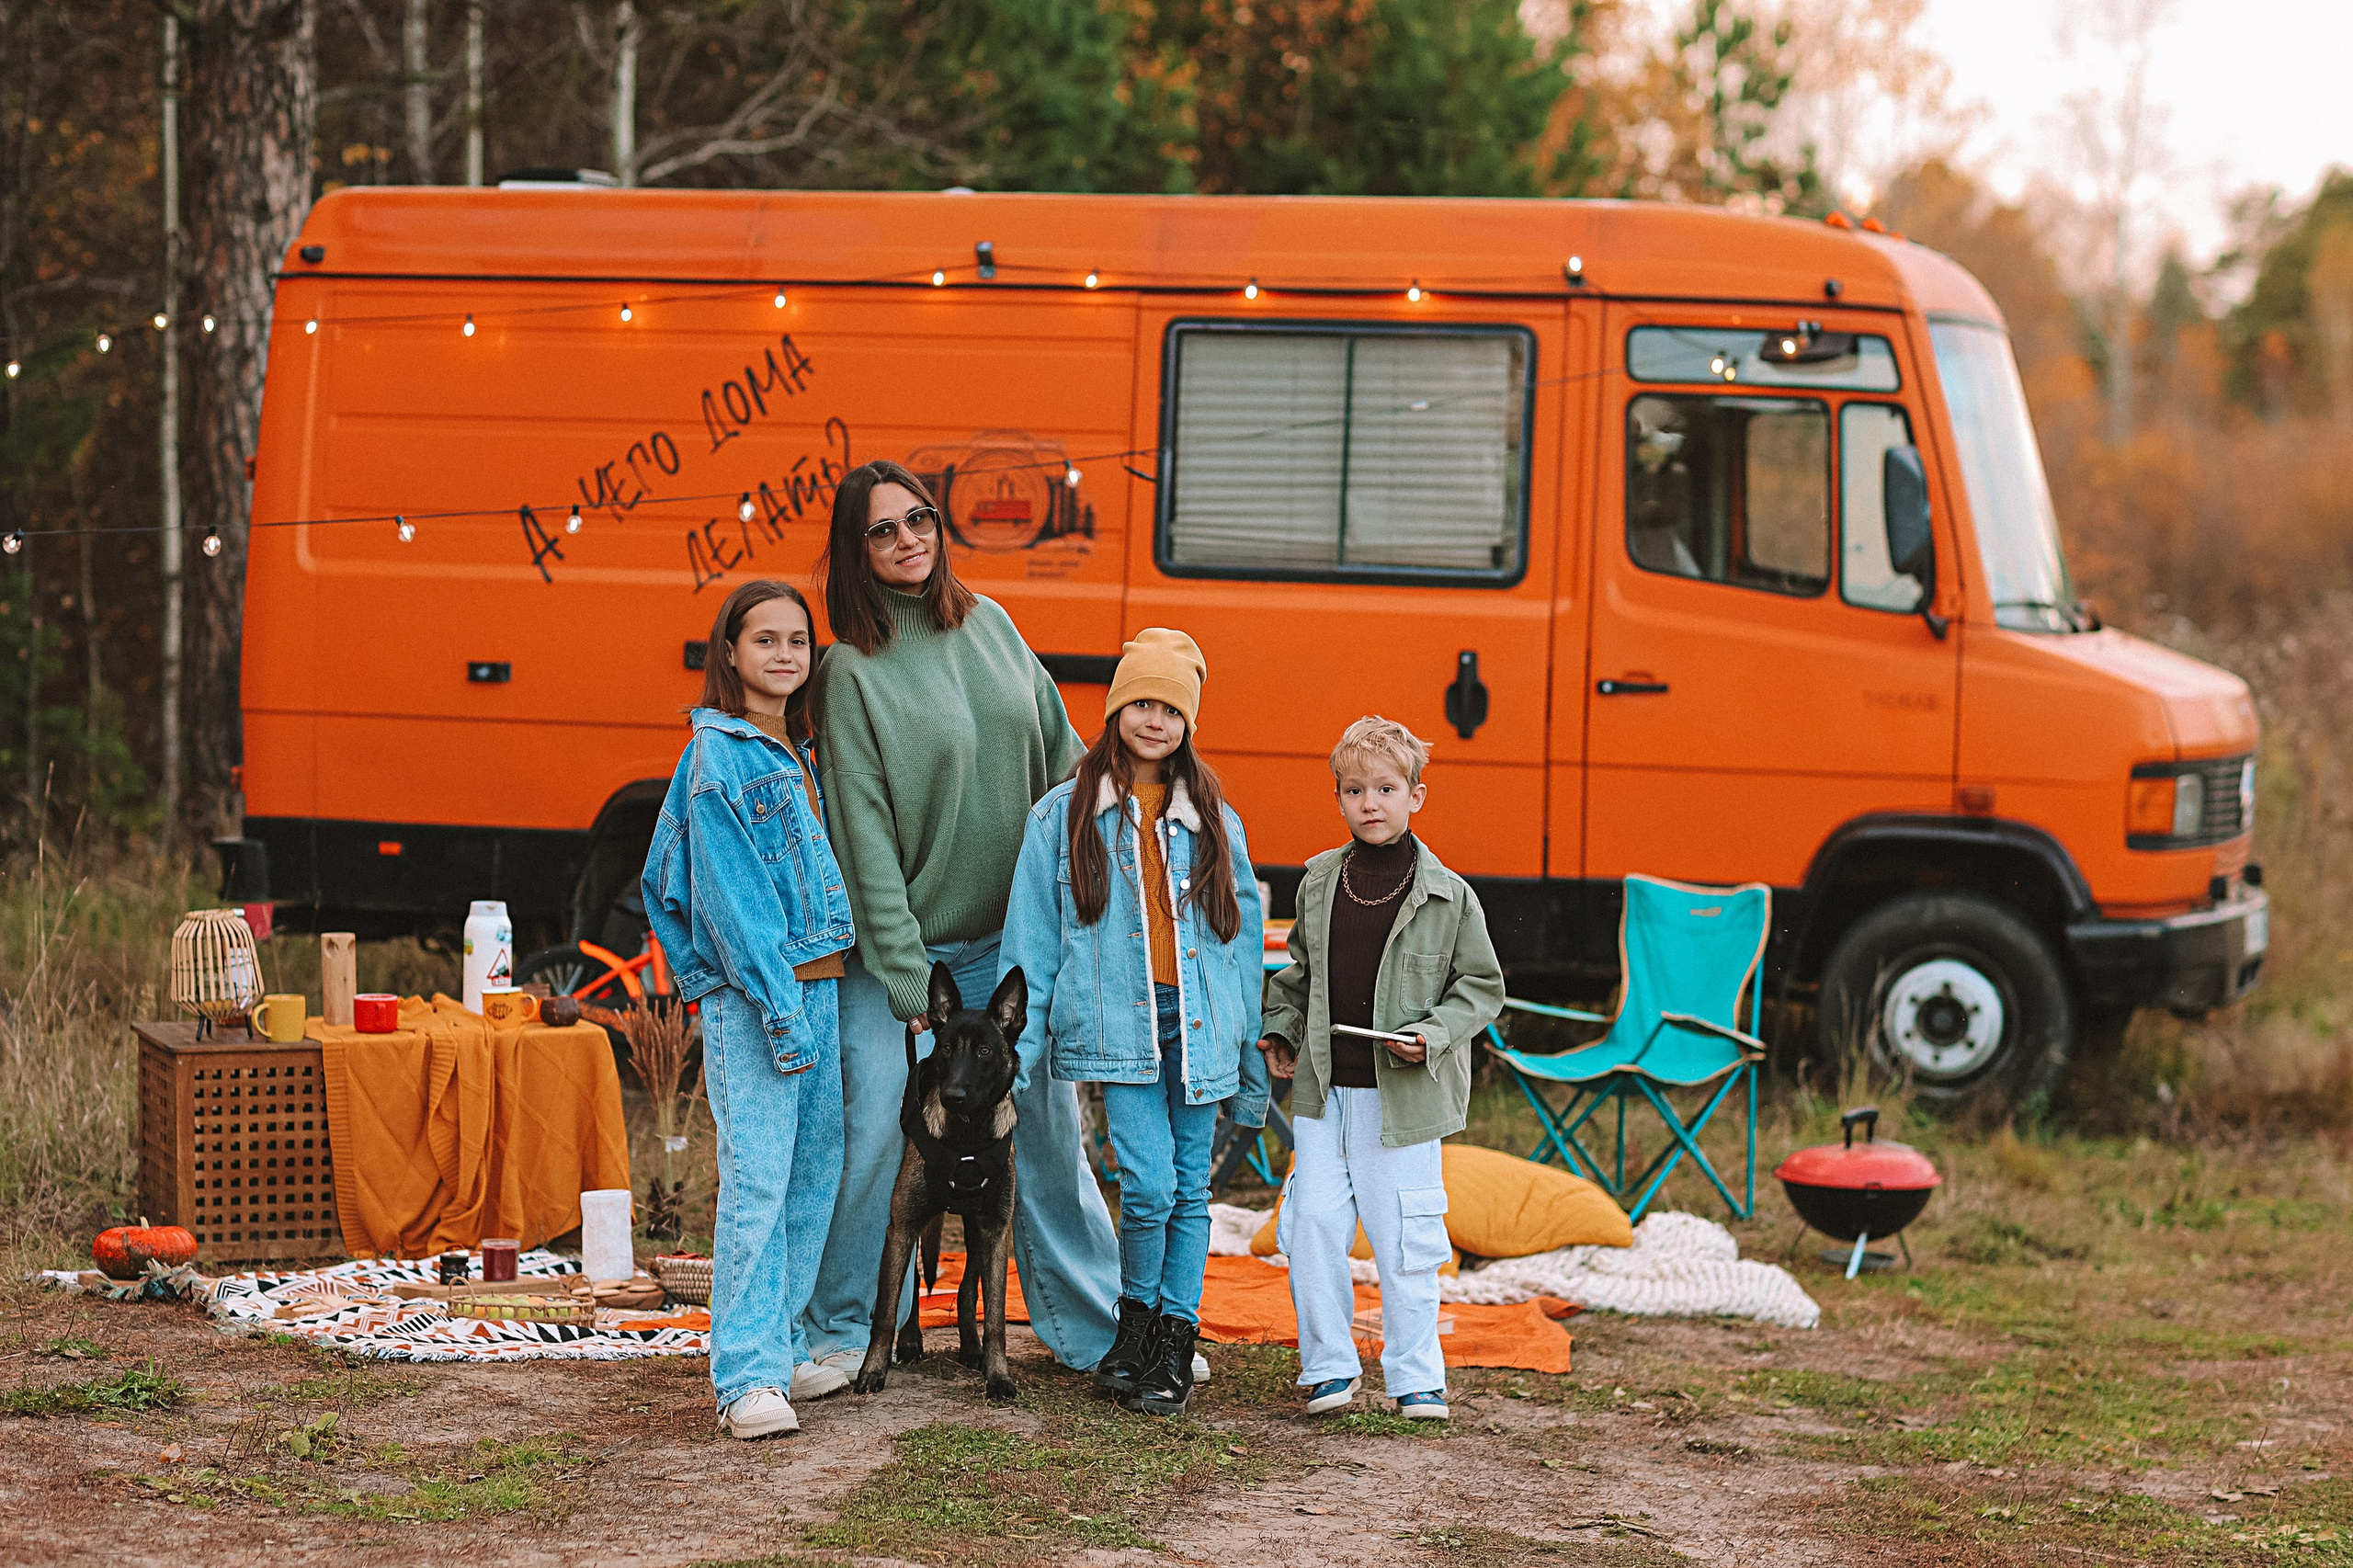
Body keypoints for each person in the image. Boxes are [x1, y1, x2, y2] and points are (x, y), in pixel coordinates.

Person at [797, 460, 1123, 1393]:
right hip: (906, 959)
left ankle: (1099, 1330)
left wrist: (1106, 849)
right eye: (883, 529)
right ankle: (846, 1331)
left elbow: (1062, 762)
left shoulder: (994, 625)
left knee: (1047, 1133)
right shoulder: (848, 671)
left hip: (1011, 948)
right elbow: (861, 835)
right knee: (875, 1134)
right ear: (854, 551)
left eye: (920, 519)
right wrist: (908, 979)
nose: (909, 539)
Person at [1002, 630, 1269, 1416]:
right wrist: (1019, 1054)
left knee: (1190, 1188)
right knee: (1149, 1185)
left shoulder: (1216, 820)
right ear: (1116, 708)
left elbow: (1242, 944)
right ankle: (1135, 1322)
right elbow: (1031, 946)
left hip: (1198, 1025)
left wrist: (1250, 1053)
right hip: (1122, 1029)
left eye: (1172, 710)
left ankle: (1173, 1339)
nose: (1156, 721)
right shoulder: (1062, 817)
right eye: (1142, 703)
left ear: (1189, 723)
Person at [642, 580, 853, 1440]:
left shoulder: (797, 749)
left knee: (811, 1173)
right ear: (729, 652)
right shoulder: (718, 757)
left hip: (821, 983)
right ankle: (745, 1376)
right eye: (764, 640)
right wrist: (772, 1003)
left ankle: (784, 1345)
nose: (784, 655)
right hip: (761, 996)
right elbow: (730, 902)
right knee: (760, 1181)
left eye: (798, 641)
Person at [1258, 715, 1505, 1421]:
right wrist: (1279, 1030)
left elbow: (1481, 988)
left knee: (1405, 1238)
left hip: (1401, 1101)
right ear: (1338, 797)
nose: (1370, 803)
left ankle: (1416, 1377)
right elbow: (1297, 977)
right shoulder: (1318, 882)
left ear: (1415, 796)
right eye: (1355, 790)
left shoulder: (1449, 895)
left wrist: (1432, 1034)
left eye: (1387, 789)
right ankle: (1329, 1369)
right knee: (1311, 1226)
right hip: (1322, 1095)